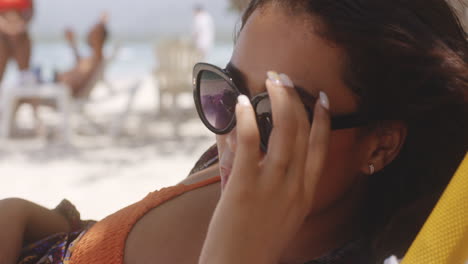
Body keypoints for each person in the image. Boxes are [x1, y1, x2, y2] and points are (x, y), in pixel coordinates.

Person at [0, 0, 467, 263]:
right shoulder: (228, 158)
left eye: (279, 116)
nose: (233, 135)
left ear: (381, 144)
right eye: (227, 91)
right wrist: (36, 222)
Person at [0, 0, 33, 84]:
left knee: (24, 74)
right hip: (3, 37)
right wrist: (6, 26)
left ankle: (25, 95)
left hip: (21, 36)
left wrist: (20, 25)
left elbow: (31, 11)